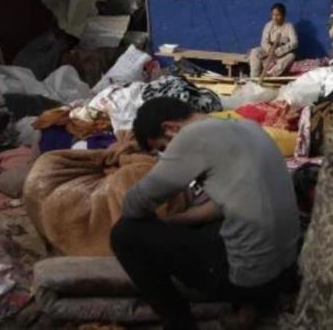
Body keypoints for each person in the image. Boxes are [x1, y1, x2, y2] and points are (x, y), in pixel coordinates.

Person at [110, 97, 300, 329]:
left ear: (170, 129)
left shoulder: (193, 137)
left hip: (249, 281)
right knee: (216, 226)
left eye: (162, 148)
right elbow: (225, 204)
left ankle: (180, 323)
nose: (163, 155)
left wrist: (165, 186)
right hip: (284, 273)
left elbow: (135, 204)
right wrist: (172, 222)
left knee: (124, 233)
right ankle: (253, 306)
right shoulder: (248, 127)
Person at [249, 3, 298, 78]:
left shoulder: (289, 26)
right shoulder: (269, 25)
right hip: (269, 51)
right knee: (254, 52)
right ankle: (254, 77)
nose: (275, 17)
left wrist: (280, 50)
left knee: (291, 56)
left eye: (278, 15)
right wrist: (269, 49)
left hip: (281, 53)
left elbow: (295, 43)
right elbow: (263, 42)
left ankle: (271, 74)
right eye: (273, 15)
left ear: (283, 15)